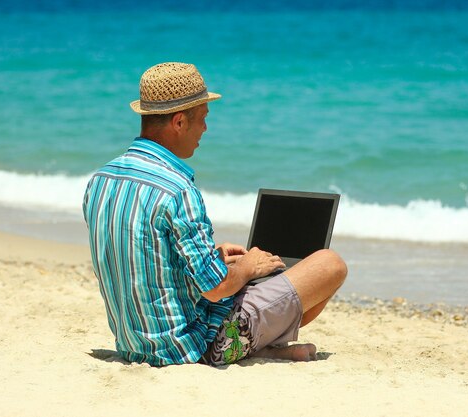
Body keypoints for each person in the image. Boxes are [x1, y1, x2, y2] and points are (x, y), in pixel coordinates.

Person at [83, 62, 347, 367]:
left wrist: (214, 258)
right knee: (330, 264)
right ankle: (256, 345)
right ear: (179, 122)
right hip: (192, 348)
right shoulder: (178, 190)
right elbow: (216, 290)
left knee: (239, 267)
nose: (205, 129)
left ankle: (265, 346)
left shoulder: (102, 180)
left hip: (133, 344)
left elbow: (136, 259)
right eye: (203, 120)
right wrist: (247, 268)